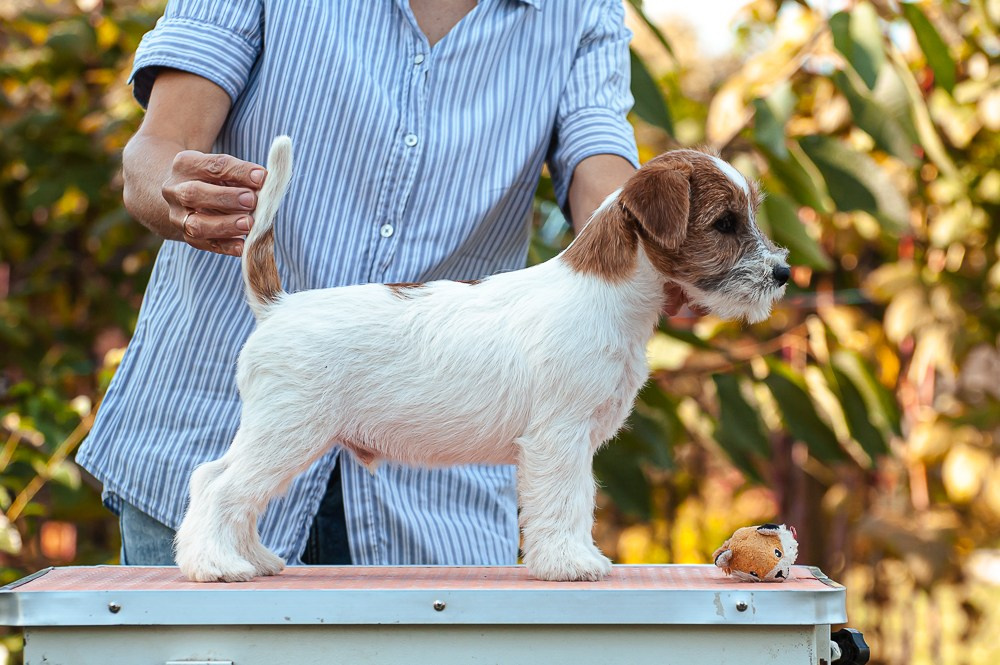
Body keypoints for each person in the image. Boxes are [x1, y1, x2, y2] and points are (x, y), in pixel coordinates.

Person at [78, 0, 693, 567]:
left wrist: (661, 238)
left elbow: (600, 160)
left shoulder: (581, 9)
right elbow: (160, 145)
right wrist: (177, 188)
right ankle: (215, 530)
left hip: (439, 496)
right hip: (202, 409)